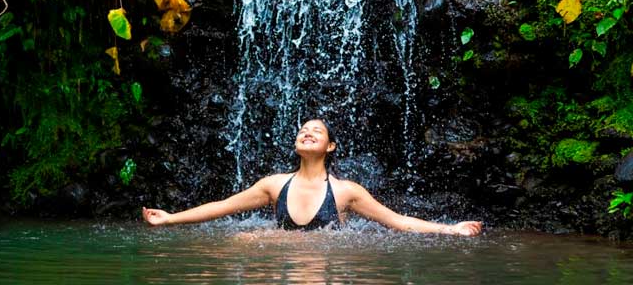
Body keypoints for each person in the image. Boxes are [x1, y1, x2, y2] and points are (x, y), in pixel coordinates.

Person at [142, 118, 483, 236]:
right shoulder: (273, 185)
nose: (307, 132)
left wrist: (450, 229)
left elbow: (397, 222)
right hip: (284, 266)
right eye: (303, 129)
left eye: (316, 131)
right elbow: (224, 207)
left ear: (330, 146)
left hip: (325, 269)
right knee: (240, 241)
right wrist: (170, 219)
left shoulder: (346, 191)